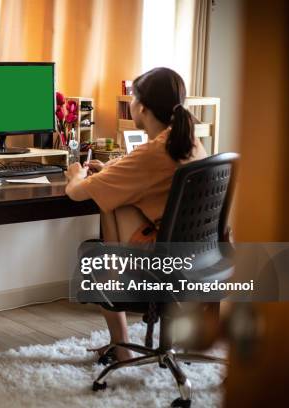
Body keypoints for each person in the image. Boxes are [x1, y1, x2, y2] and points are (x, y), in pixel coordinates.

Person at [65, 67, 207, 363]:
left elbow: (76, 193)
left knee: (93, 257)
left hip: (167, 265)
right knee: (115, 200)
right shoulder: (189, 140)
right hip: (201, 258)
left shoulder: (154, 152)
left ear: (141, 107)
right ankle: (122, 342)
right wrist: (109, 178)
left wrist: (76, 174)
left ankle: (122, 345)